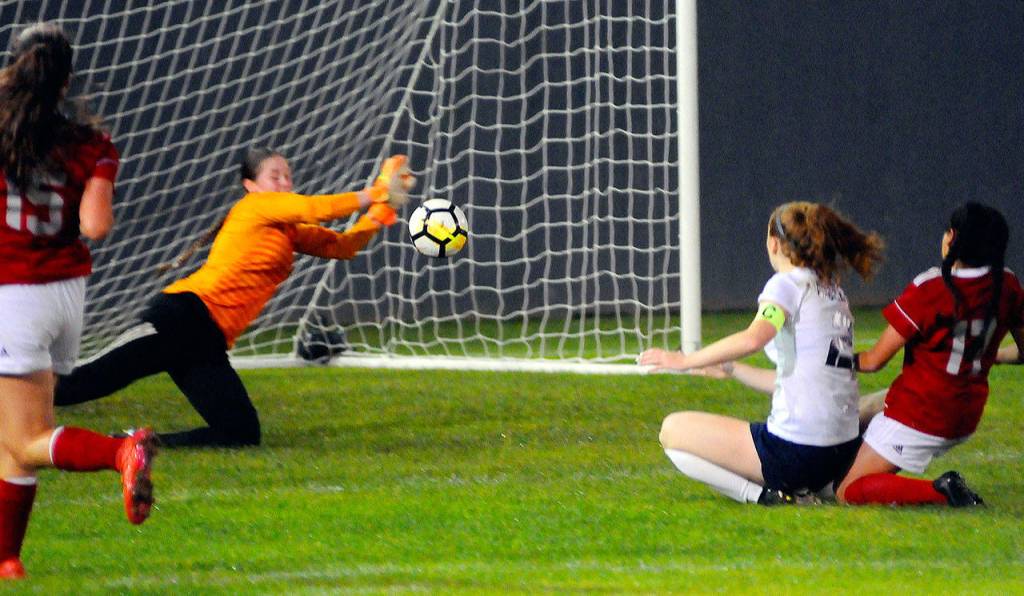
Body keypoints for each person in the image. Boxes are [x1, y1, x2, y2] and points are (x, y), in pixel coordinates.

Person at [54, 148, 414, 448]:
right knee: (79, 385)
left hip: (207, 342)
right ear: (250, 186)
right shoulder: (254, 208)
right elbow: (313, 208)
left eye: (287, 176)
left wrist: (379, 214)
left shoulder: (290, 232)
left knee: (240, 432)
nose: (285, 183)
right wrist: (376, 191)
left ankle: (135, 444)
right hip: (180, 318)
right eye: (275, 176)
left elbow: (342, 246)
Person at [0, 23, 157, 580]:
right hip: (64, 296)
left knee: (25, 439)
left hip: (11, 293)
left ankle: (120, 451)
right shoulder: (93, 142)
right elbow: (96, 225)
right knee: (16, 442)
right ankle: (9, 560)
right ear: (66, 81)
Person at [639, 202, 883, 504]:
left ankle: (762, 496)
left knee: (672, 431)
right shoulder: (833, 291)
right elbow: (799, 378)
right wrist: (731, 368)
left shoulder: (786, 285)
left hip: (796, 454)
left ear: (773, 243)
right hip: (839, 454)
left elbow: (754, 338)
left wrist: (683, 360)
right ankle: (814, 489)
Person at [837, 202, 1024, 507]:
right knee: (860, 414)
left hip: (921, 414)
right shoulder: (1009, 285)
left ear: (952, 237)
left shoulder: (930, 288)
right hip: (965, 414)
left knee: (849, 491)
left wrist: (835, 359)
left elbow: (873, 362)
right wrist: (990, 355)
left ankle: (941, 491)